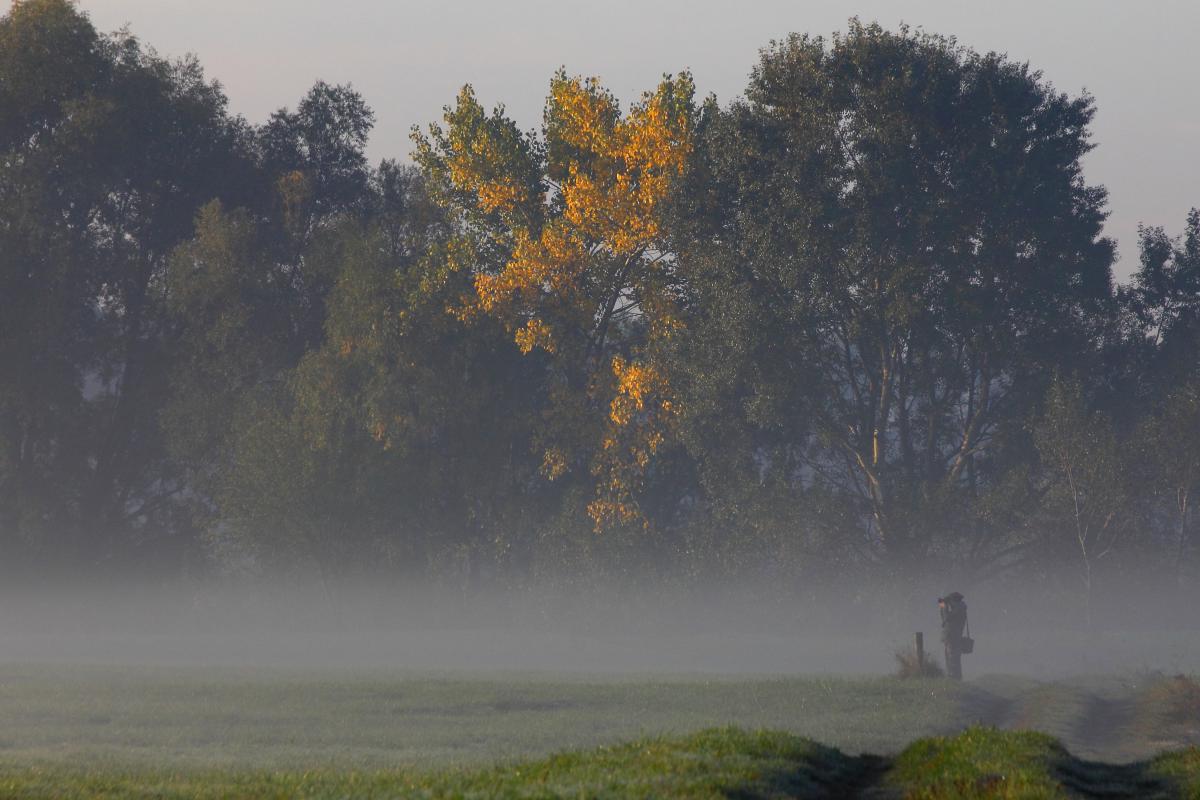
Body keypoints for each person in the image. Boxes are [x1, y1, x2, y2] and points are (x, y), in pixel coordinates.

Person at [938, 592, 969, 680]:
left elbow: (946, 618)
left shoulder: (958, 609)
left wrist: (943, 607)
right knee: (954, 657)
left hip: (952, 636)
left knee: (952, 657)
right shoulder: (961, 608)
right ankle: (956, 677)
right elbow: (945, 619)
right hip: (955, 636)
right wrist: (944, 606)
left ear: (954, 600)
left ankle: (953, 677)